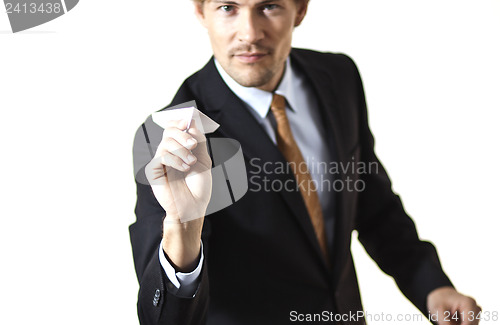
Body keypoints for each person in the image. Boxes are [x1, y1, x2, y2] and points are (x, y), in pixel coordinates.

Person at [129, 0, 481, 324]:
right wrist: (182, 229)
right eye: (227, 7)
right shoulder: (167, 139)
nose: (250, 33)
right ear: (200, 11)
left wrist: (433, 286)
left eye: (269, 6)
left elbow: (374, 207)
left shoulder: (338, 78)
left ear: (300, 9)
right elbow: (162, 318)